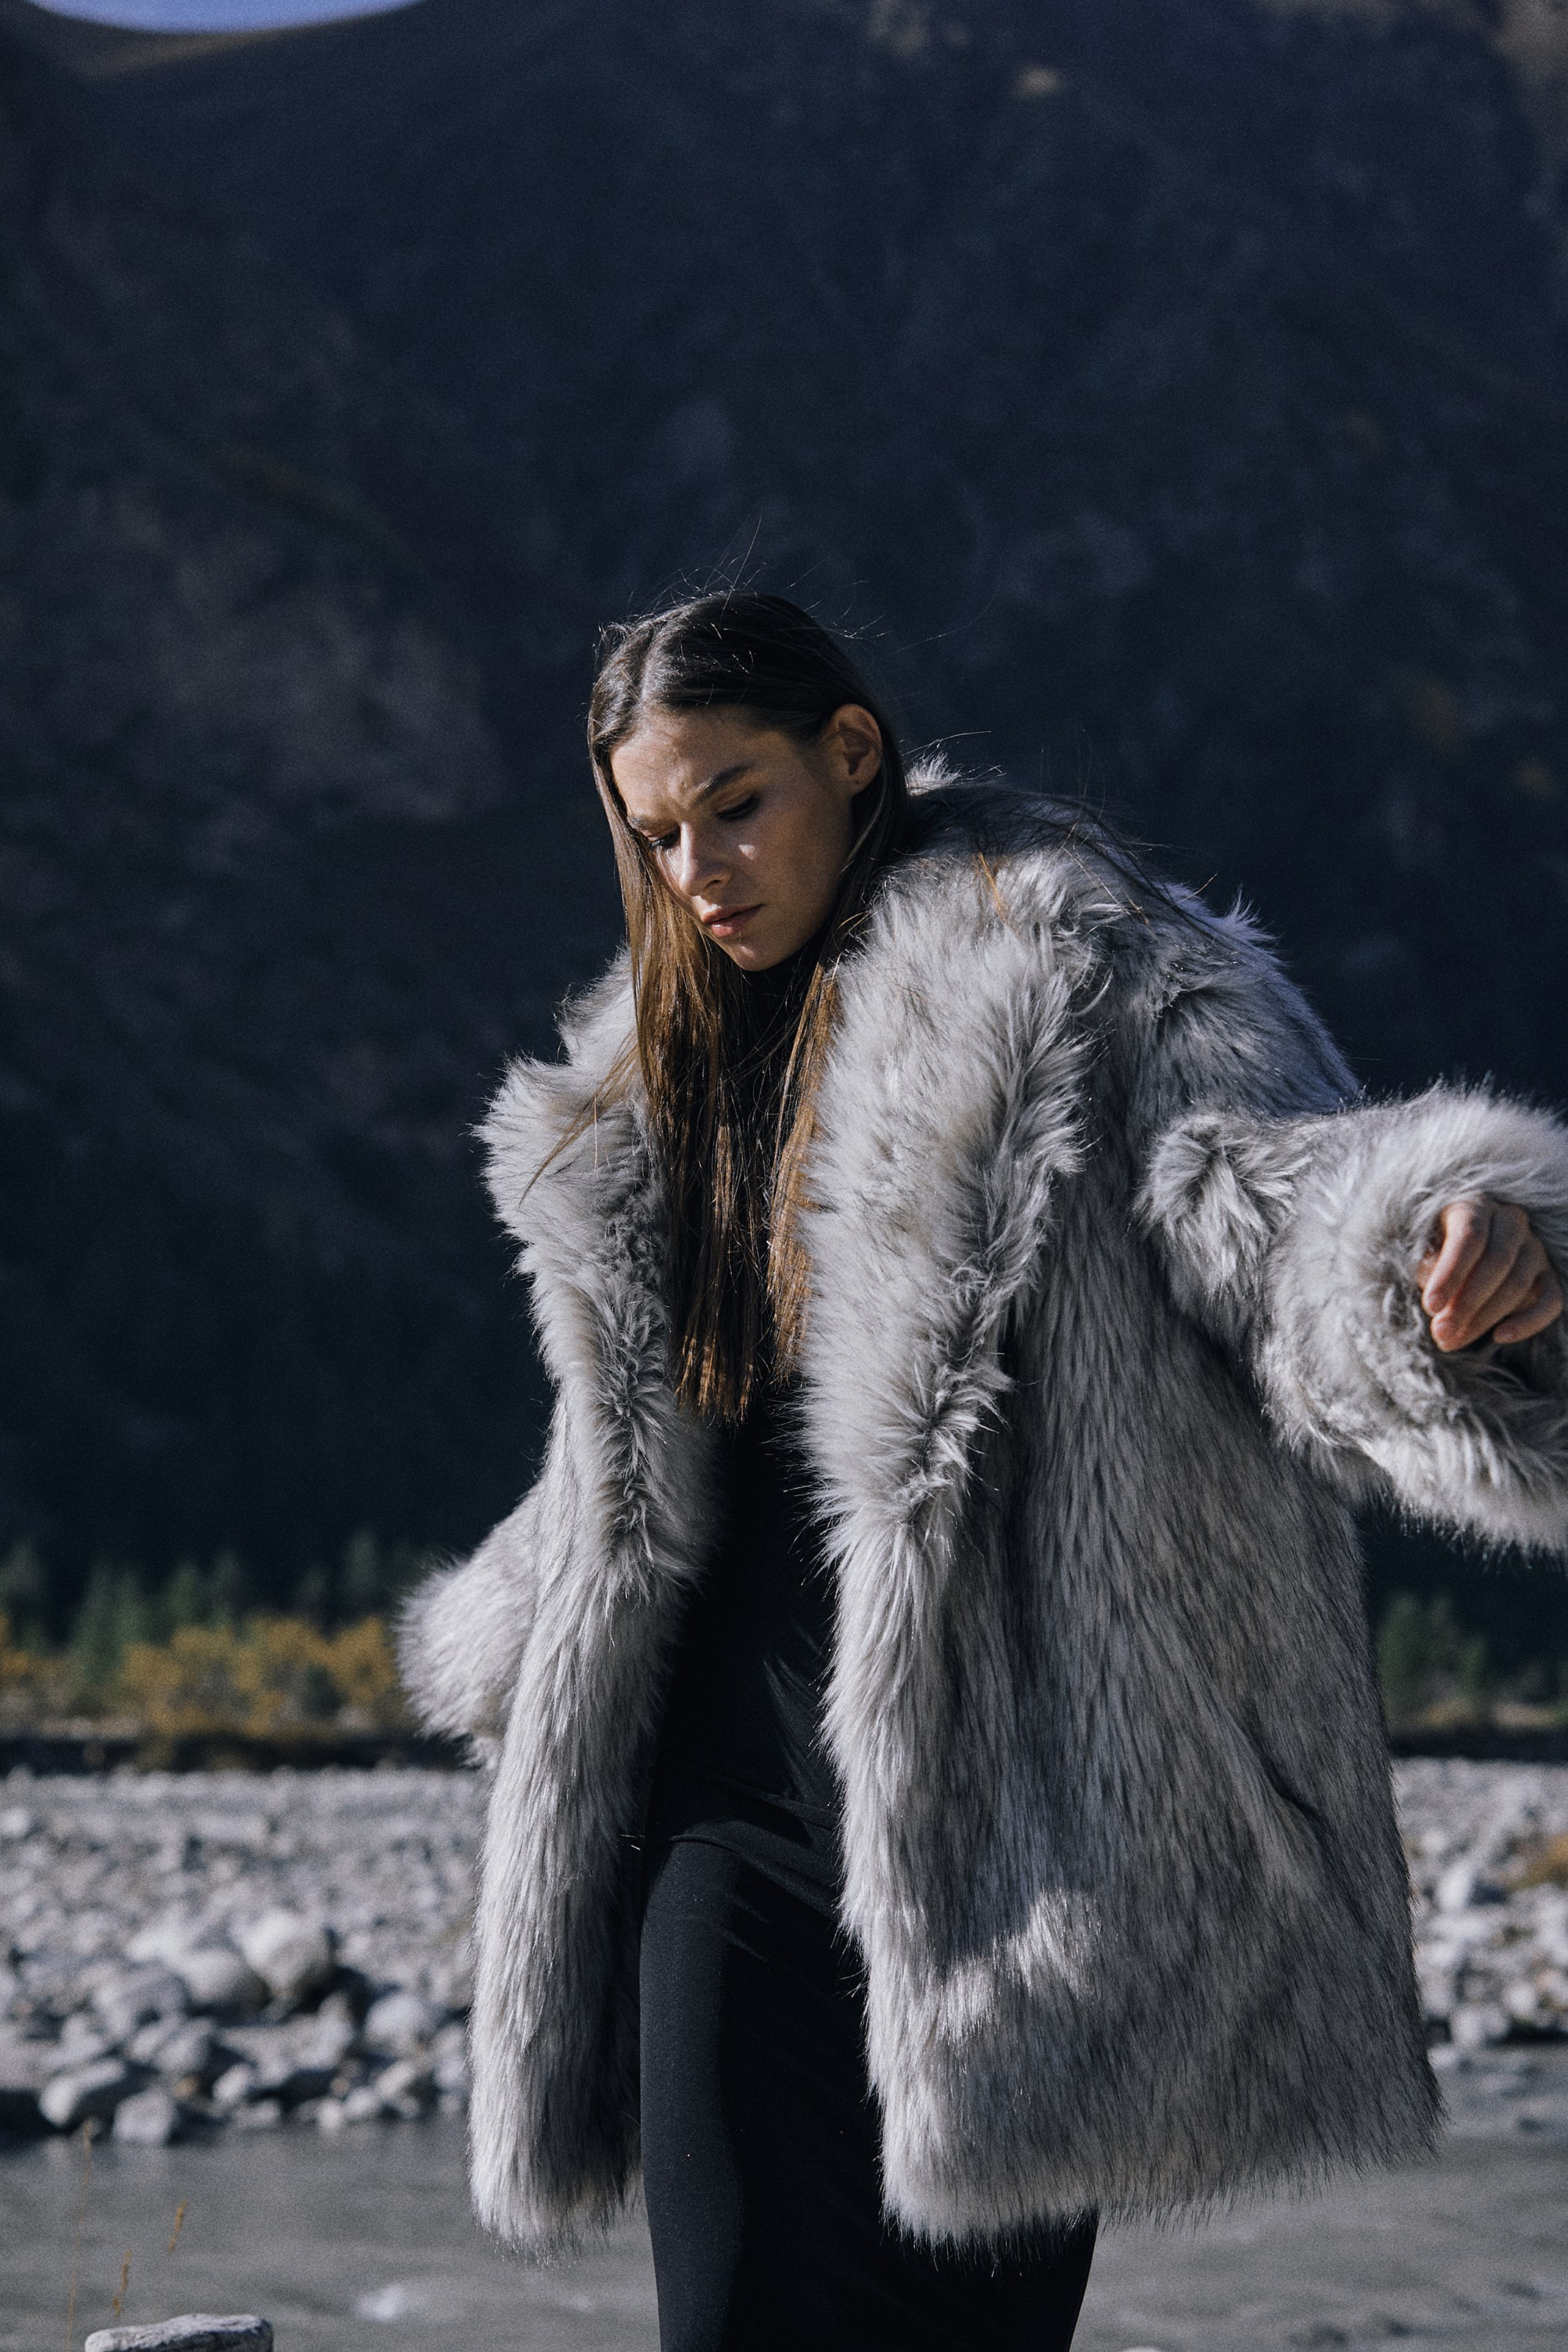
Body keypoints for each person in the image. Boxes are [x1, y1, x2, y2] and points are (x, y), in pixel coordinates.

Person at [400, 592, 1567, 2351]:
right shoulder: (651, 1074)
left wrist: (1443, 1244)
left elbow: (1264, 1192)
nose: (698, 866)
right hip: (730, 1835)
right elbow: (643, 1464)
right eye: (654, 832)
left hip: (1017, 1860)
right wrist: (518, 1623)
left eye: (736, 800)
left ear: (848, 754)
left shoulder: (1076, 962)